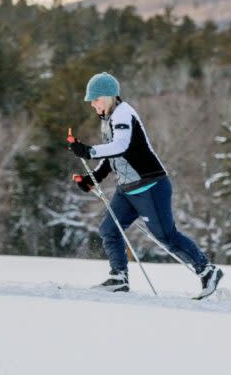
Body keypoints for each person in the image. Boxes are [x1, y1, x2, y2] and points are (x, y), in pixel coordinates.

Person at [68, 72, 223, 299]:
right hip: (127, 189)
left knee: (166, 236)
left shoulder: (123, 114)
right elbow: (113, 157)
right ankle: (119, 278)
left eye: (95, 99)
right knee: (109, 230)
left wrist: (89, 151)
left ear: (109, 97)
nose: (92, 104)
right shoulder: (107, 120)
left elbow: (120, 145)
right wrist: (93, 179)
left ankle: (208, 271)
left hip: (150, 186)